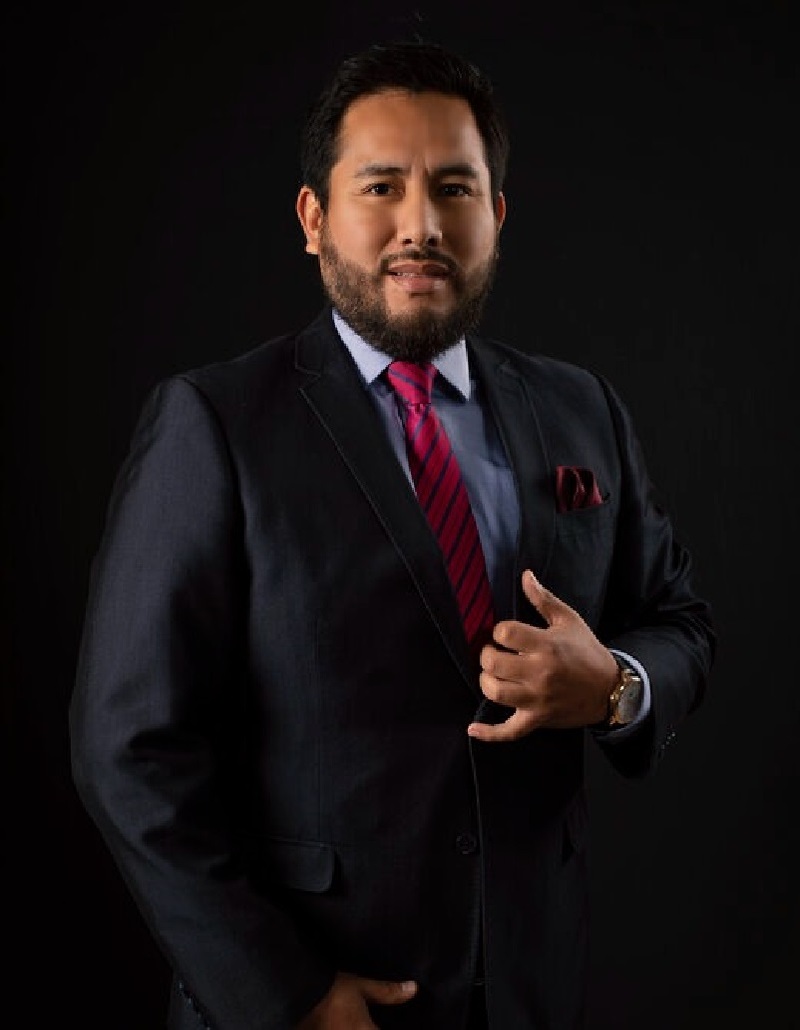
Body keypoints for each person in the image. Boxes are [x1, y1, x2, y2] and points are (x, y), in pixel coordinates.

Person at [69, 39, 715, 1030]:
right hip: (311, 993)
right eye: (381, 187)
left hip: (530, 989)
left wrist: (615, 687)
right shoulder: (215, 426)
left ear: (495, 216)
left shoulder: (580, 409)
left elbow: (679, 621)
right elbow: (127, 749)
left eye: (454, 188)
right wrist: (283, 994)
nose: (421, 224)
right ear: (313, 218)